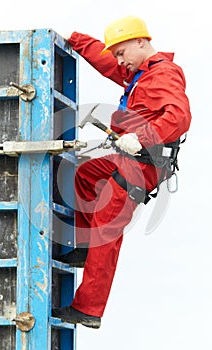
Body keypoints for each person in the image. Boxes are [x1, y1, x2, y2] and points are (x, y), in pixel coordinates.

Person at [53, 16, 192, 329]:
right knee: (83, 175)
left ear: (141, 41)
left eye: (121, 52)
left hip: (142, 164)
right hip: (129, 159)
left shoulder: (163, 74)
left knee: (106, 228)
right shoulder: (140, 73)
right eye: (115, 54)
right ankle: (87, 250)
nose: (118, 61)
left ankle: (88, 309)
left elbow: (180, 116)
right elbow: (105, 61)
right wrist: (74, 37)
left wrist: (141, 137)